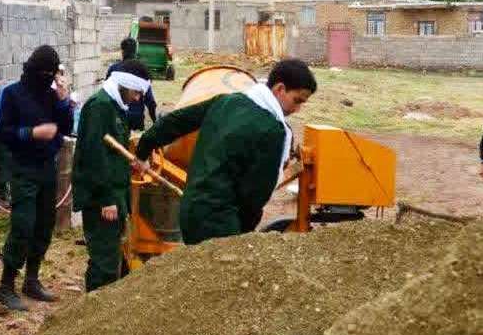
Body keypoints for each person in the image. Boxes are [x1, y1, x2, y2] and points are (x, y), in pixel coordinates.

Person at [136, 58, 317, 245]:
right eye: (297, 100)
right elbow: (256, 194)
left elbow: (175, 122)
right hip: (222, 223)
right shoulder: (273, 130)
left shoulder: (225, 101)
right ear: (280, 89)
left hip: (190, 211)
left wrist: (143, 151)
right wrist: (241, 234)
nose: (298, 109)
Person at [0, 45, 76, 311]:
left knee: (44, 225)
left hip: (47, 169)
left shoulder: (52, 95)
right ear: (31, 70)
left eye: (52, 74)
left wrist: (64, 101)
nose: (48, 78)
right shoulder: (11, 93)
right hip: (23, 168)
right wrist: (31, 133)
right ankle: (6, 286)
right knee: (23, 225)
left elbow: (65, 127)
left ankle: (32, 279)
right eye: (44, 74)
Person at [73, 60, 152, 292]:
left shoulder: (116, 107)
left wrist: (133, 162)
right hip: (102, 199)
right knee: (104, 261)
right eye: (136, 92)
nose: (138, 98)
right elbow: (94, 157)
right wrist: (106, 198)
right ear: (125, 84)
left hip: (116, 194)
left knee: (111, 254)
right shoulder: (100, 107)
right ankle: (94, 311)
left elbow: (114, 151)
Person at [105, 38, 158, 131]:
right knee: (134, 143)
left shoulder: (114, 69)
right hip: (136, 119)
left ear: (122, 51)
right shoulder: (142, 70)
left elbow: (107, 94)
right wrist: (155, 122)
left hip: (117, 117)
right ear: (136, 51)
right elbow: (150, 101)